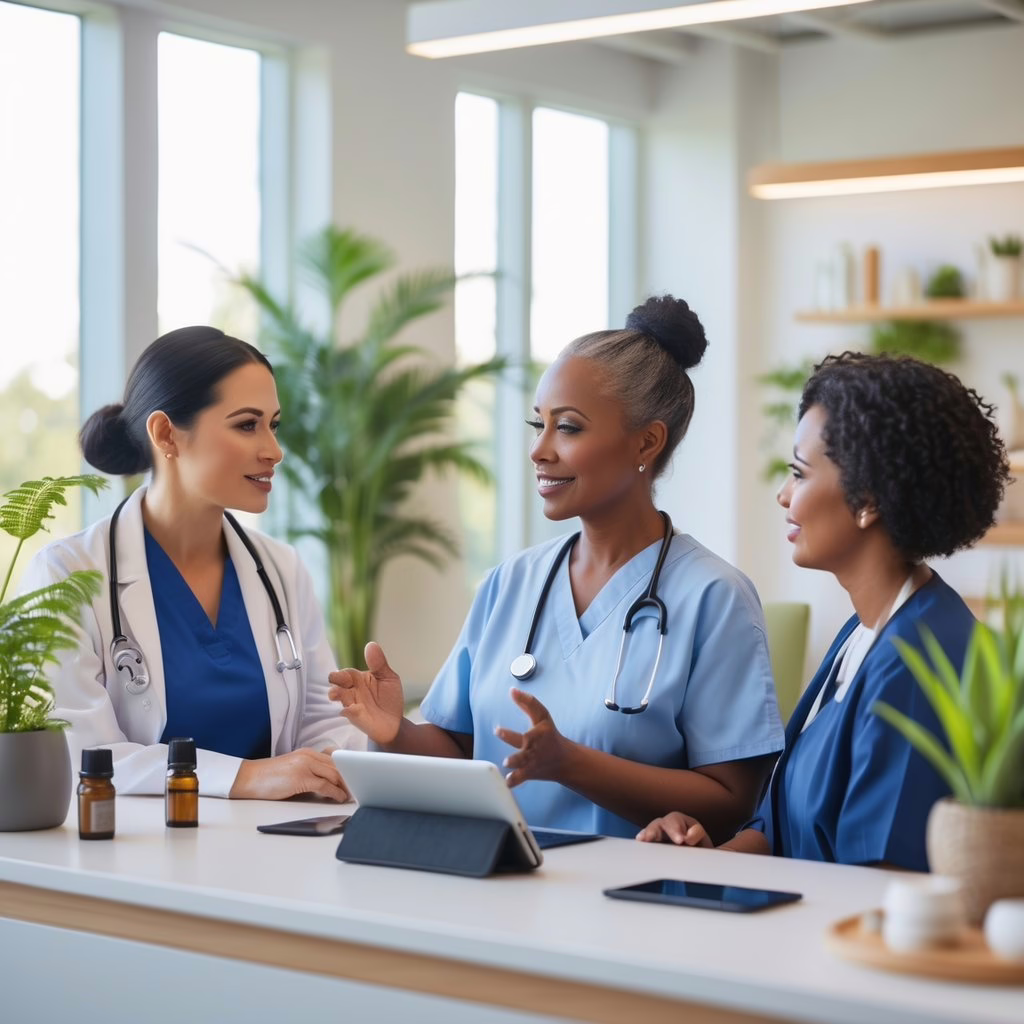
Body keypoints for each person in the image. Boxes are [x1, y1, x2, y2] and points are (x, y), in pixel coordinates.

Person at [329, 296, 784, 840]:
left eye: (567, 428)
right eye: (537, 424)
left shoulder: (714, 597)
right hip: (493, 884)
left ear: (647, 440)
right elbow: (461, 749)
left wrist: (570, 763)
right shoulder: (510, 583)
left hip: (630, 901)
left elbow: (736, 801)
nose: (539, 450)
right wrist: (395, 730)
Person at [638, 352, 1010, 870]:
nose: (784, 494)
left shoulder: (919, 663)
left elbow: (875, 883)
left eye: (799, 472)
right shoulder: (863, 634)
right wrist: (707, 860)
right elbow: (782, 827)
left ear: (868, 499)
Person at [20, 327, 364, 799]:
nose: (274, 450)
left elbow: (323, 718)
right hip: (136, 858)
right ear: (166, 434)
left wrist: (323, 767)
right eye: (247, 425)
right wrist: (247, 778)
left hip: (281, 847)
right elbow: (83, 753)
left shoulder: (280, 570)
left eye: (273, 424)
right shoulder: (67, 574)